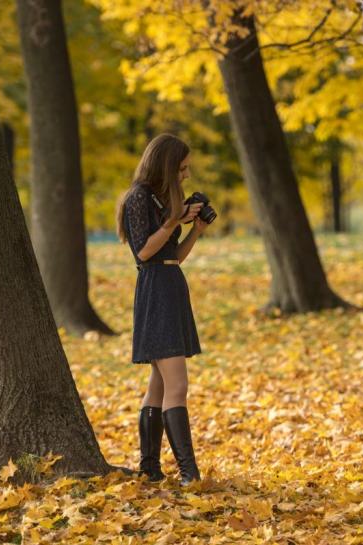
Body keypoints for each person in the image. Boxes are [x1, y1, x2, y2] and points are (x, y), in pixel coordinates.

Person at [115, 133, 208, 485]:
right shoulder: (138, 198)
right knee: (177, 385)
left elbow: (173, 256)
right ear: (166, 165)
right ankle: (188, 474)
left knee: (159, 383)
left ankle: (150, 468)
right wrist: (172, 219)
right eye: (181, 168)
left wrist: (195, 230)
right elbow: (143, 253)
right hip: (155, 291)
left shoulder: (163, 198)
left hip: (172, 285)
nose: (185, 176)